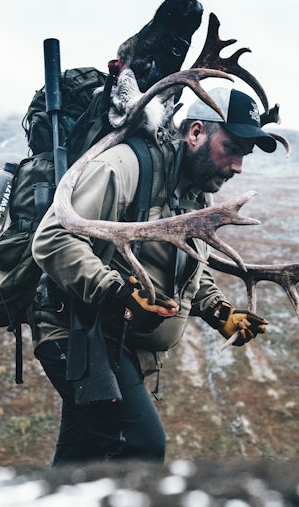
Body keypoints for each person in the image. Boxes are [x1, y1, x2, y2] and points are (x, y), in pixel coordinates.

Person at [30, 87, 277, 465]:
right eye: (232, 148)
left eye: (245, 154)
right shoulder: (123, 167)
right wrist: (117, 296)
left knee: (80, 462)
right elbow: (51, 239)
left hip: (119, 342)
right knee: (141, 446)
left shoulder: (196, 196)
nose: (239, 166)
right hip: (77, 333)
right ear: (196, 132)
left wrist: (218, 311)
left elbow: (187, 266)